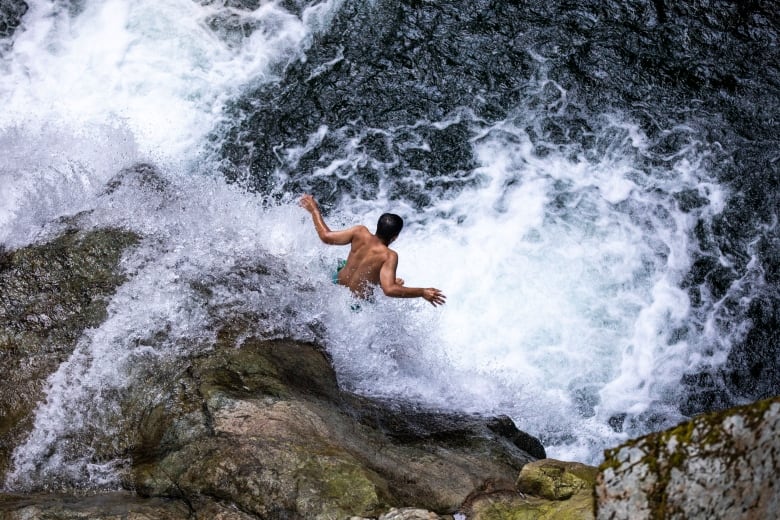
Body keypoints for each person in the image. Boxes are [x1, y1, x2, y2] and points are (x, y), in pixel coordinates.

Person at [300, 194, 446, 307]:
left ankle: (381, 279)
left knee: (344, 265)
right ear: (395, 237)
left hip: (335, 284)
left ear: (378, 226)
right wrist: (422, 292)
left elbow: (326, 237)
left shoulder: (359, 232)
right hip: (353, 305)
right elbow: (389, 290)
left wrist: (313, 209)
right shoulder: (389, 256)